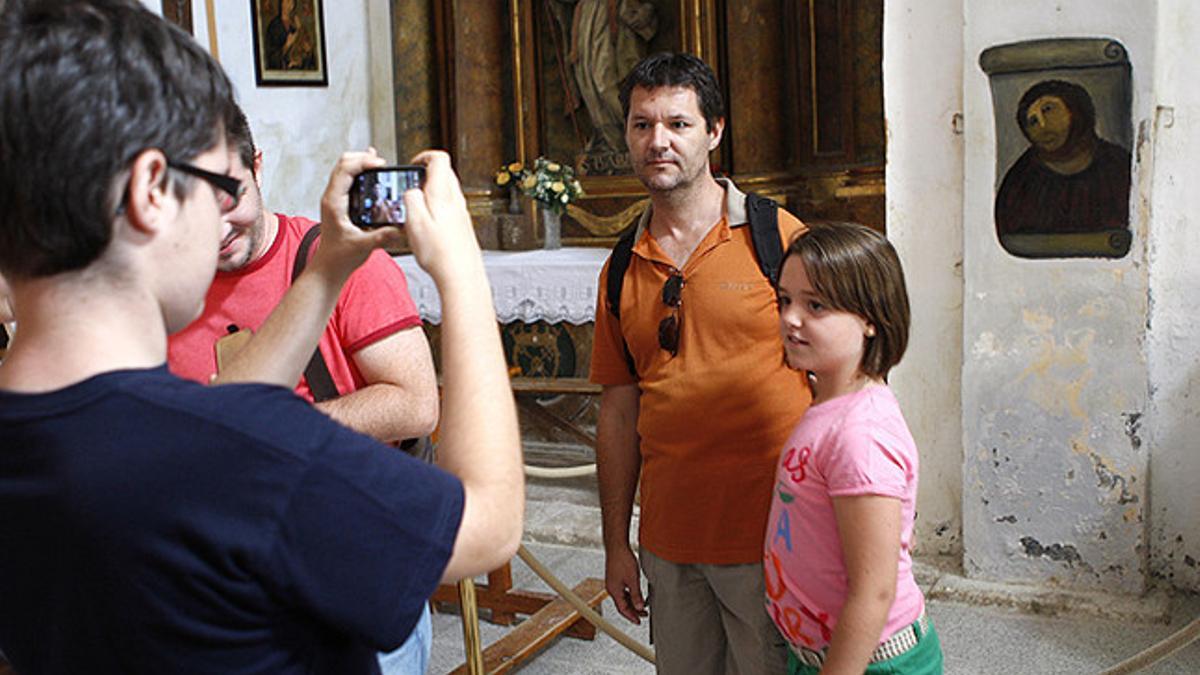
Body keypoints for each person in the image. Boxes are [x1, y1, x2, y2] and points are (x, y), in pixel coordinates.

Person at [0, 3, 522, 674]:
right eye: (218, 185)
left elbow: (212, 420)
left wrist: (328, 263)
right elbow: (488, 523)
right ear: (152, 190)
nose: (224, 215)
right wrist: (462, 271)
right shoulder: (253, 452)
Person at [166, 106, 439, 674]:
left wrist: (274, 430)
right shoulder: (163, 291)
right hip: (226, 575)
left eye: (229, 199)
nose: (216, 231)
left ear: (257, 166)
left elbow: (416, 403)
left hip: (352, 553)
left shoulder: (339, 259)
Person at [589, 51, 810, 674]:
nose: (658, 141)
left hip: (773, 540)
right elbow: (619, 408)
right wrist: (616, 547)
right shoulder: (621, 266)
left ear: (714, 132)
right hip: (671, 546)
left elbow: (842, 380)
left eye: (678, 124)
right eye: (641, 124)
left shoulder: (778, 238)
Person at [765, 222, 943, 674]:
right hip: (826, 653)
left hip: (870, 662)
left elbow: (874, 591)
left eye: (816, 305)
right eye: (785, 300)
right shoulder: (830, 402)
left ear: (870, 317)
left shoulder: (860, 434)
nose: (790, 318)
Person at [995, 79, 1131, 237]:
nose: (1042, 127)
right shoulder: (1020, 183)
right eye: (1032, 121)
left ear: (1076, 110)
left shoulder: (1119, 166)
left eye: (1048, 109)